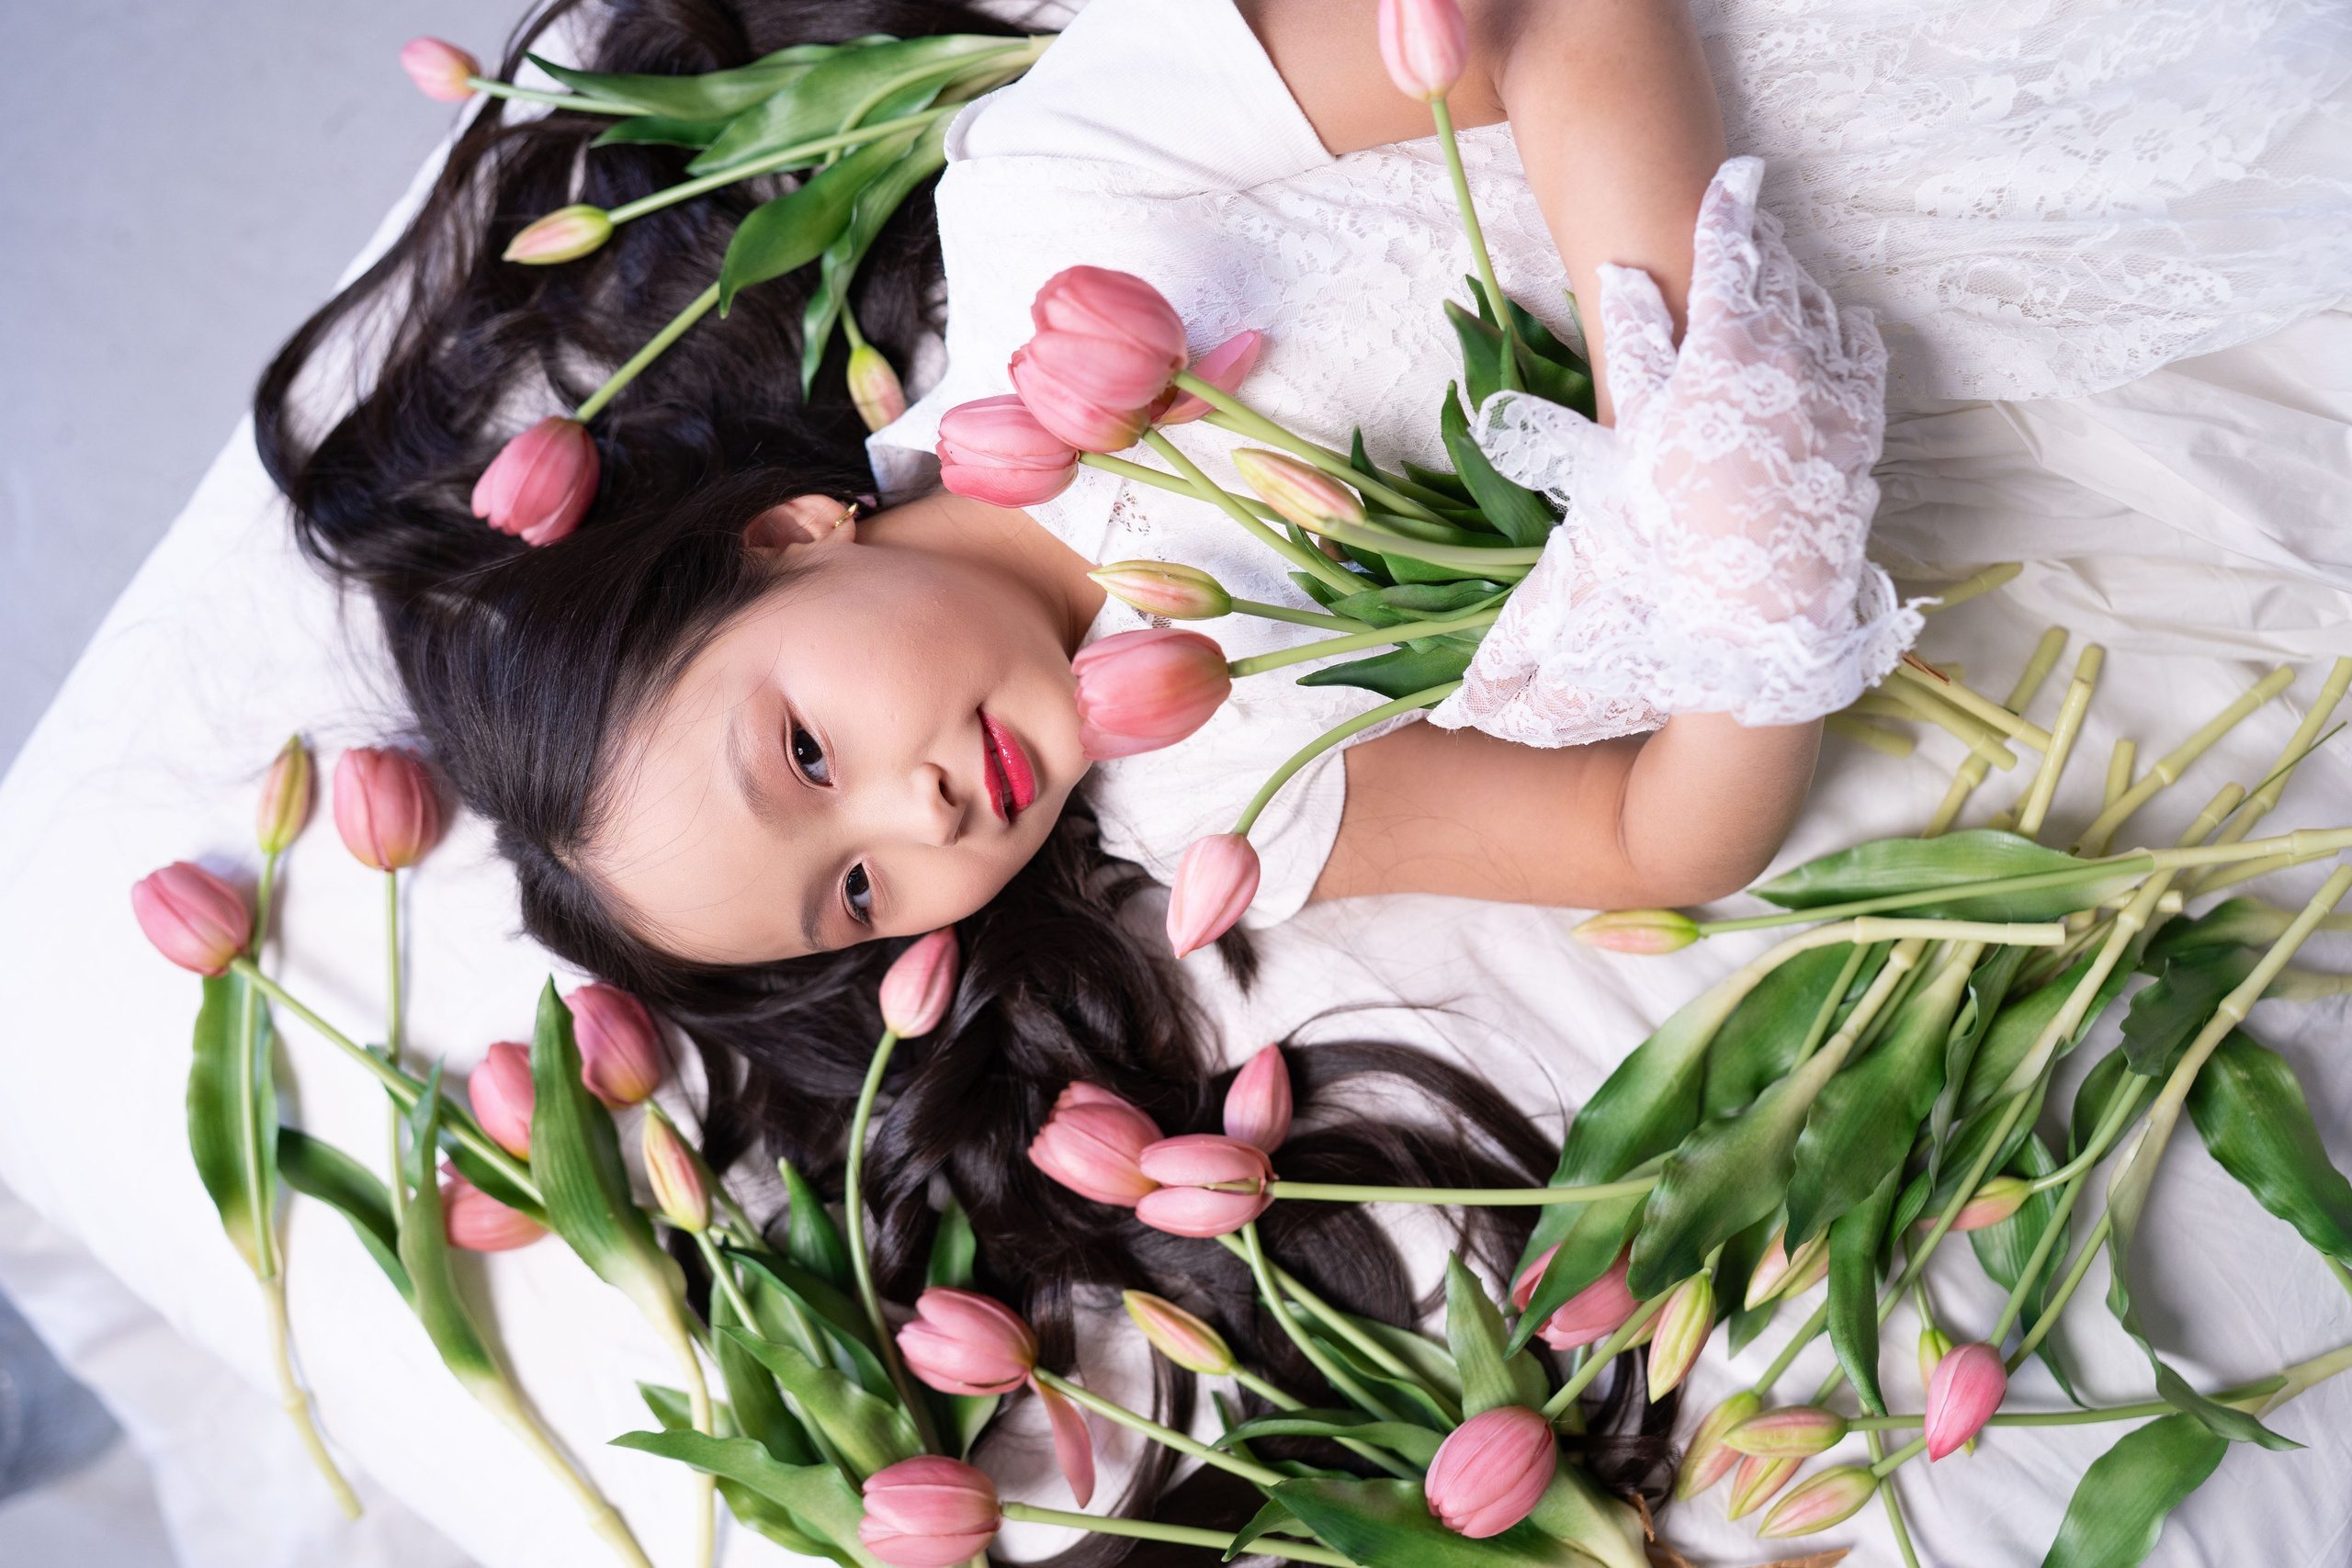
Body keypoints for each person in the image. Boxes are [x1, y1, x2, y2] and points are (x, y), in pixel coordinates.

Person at [254, 0, 2346, 1528]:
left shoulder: (1052, 215)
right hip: (1927, 391)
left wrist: (1682, 381)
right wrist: (1759, 591)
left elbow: (1545, 12)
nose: (915, 812)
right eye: (859, 895)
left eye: (805, 747)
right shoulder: (1215, 806)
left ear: (787, 534)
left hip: (1765, 107)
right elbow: (1657, 830)